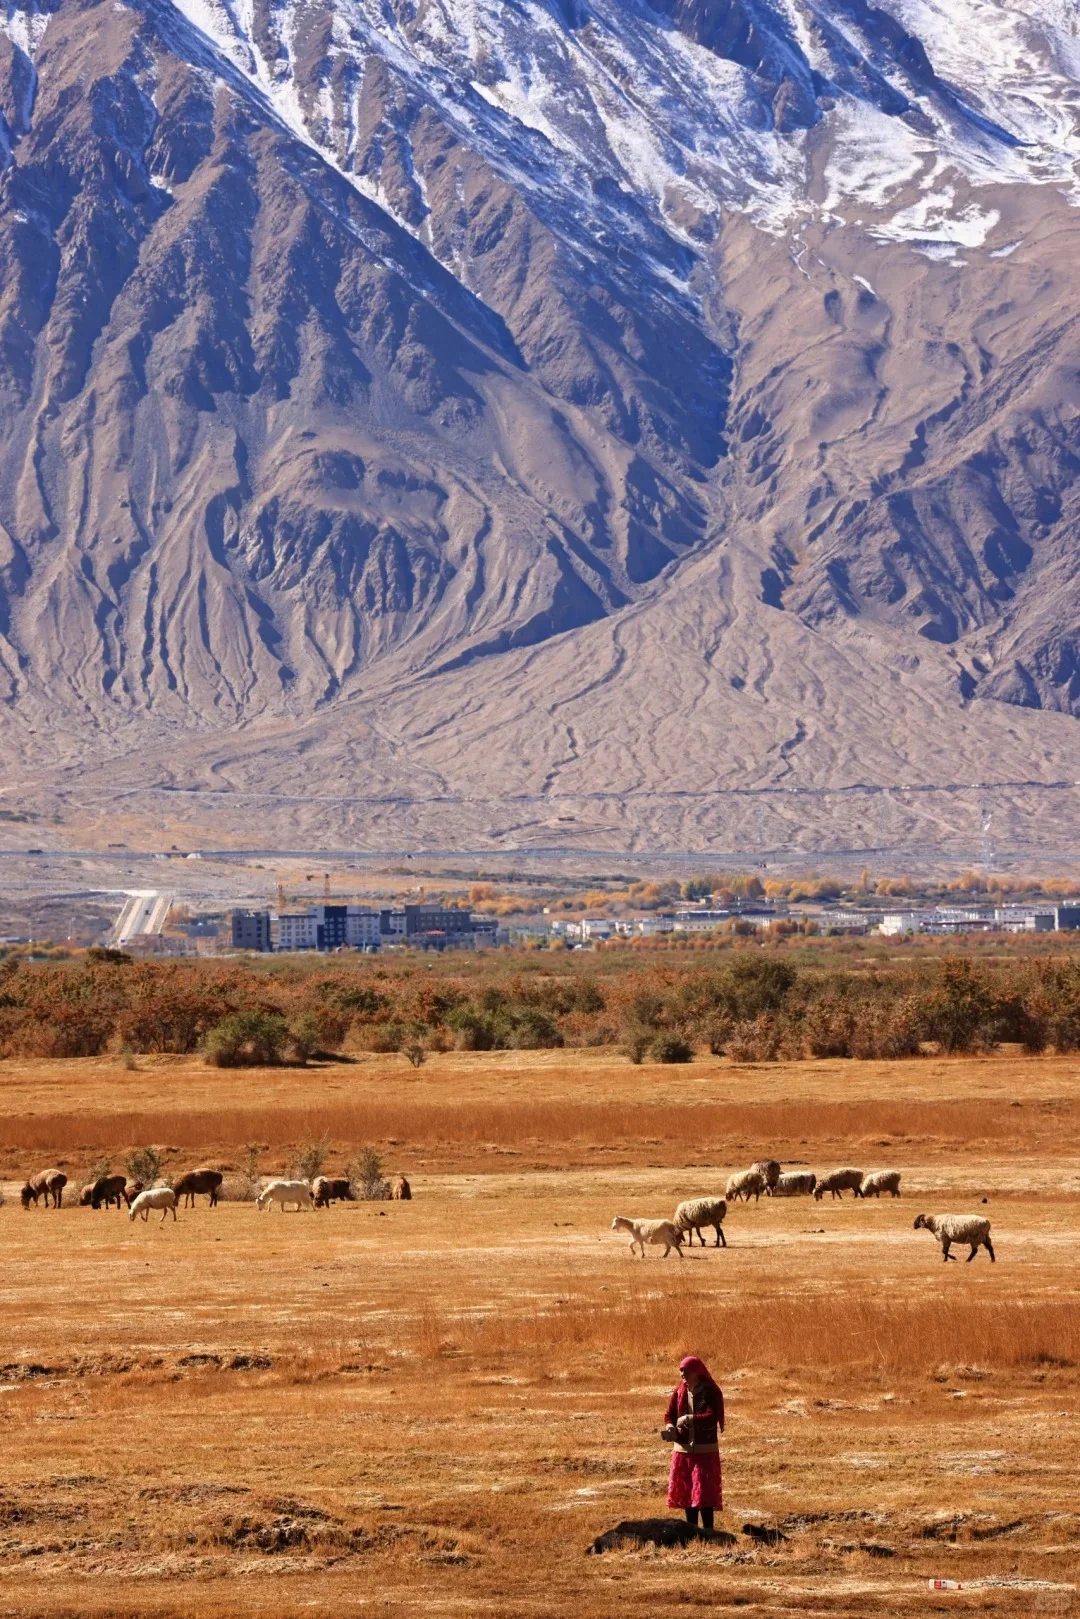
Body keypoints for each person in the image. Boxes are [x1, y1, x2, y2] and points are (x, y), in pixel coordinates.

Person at [661, 1353, 724, 1530]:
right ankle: (692, 1531)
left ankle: (708, 1533)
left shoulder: (710, 1392)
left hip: (705, 1451)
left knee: (704, 1495)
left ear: (696, 1372)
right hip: (683, 1451)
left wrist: (689, 1418)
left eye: (686, 1371)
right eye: (681, 1371)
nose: (682, 1375)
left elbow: (712, 1417)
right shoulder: (680, 1390)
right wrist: (670, 1426)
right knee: (689, 1494)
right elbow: (669, 1415)